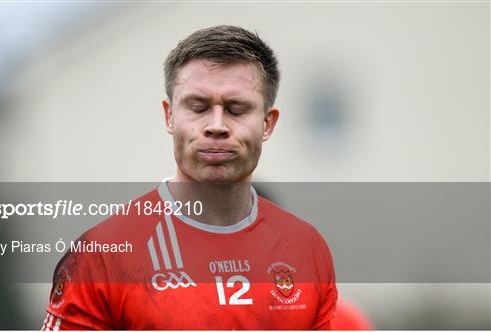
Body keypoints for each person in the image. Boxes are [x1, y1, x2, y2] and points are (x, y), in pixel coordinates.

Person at [41, 25, 337, 330]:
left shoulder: (307, 248)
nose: (217, 126)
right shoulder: (102, 255)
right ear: (169, 116)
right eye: (198, 107)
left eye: (237, 109)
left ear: (267, 123)